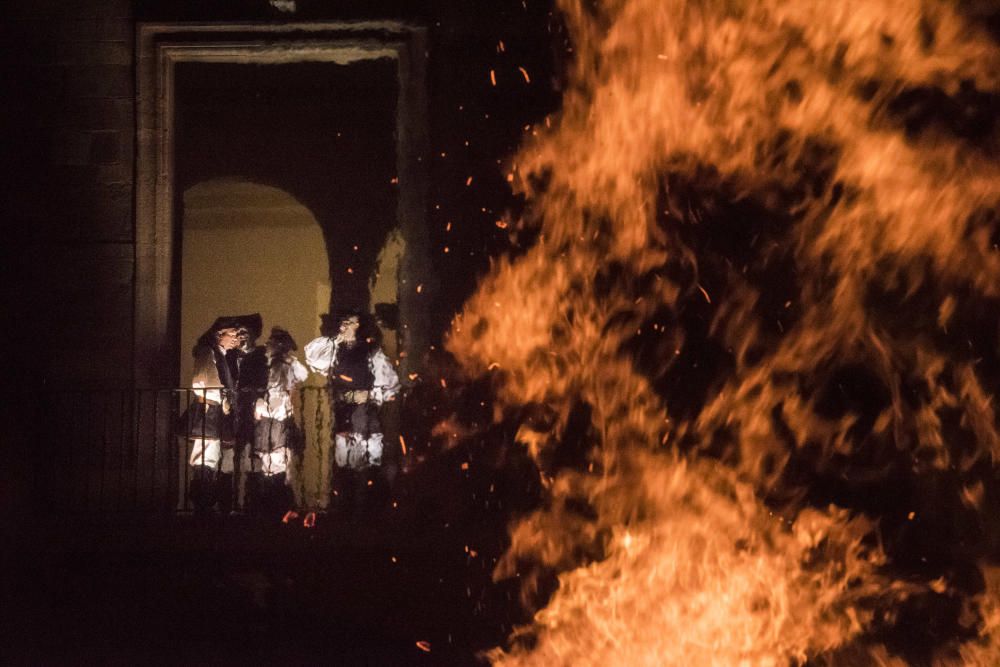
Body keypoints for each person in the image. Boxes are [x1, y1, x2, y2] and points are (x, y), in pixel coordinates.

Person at [304, 309, 399, 518]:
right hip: (342, 414)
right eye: (343, 322)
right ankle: (344, 509)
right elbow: (312, 357)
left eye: (351, 322)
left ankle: (371, 509)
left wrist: (370, 396)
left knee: (370, 458)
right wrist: (336, 339)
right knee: (343, 461)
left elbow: (390, 385)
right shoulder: (334, 349)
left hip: (366, 414)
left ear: (360, 326)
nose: (345, 326)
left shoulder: (371, 351)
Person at [185, 313, 262, 514]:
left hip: (215, 411)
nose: (236, 338)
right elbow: (201, 380)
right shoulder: (208, 352)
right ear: (220, 334)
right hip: (209, 410)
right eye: (233, 333)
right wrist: (223, 397)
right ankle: (202, 504)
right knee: (205, 457)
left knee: (211, 456)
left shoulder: (219, 353)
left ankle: (208, 502)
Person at [248, 327, 308, 517]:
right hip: (269, 419)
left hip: (277, 419)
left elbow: (300, 376)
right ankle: (271, 499)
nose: (267, 344)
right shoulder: (267, 365)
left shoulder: (284, 365)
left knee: (278, 457)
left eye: (271, 342)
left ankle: (278, 500)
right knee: (268, 457)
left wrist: (290, 359)